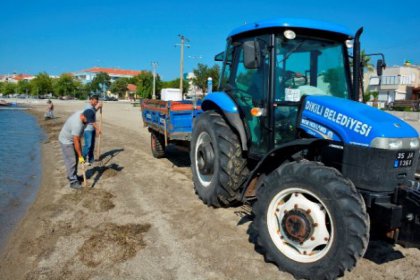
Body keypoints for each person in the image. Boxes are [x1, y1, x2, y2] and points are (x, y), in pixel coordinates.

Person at [58, 109, 95, 189]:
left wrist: (80, 156)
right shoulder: (77, 124)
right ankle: (72, 181)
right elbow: (76, 141)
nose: (88, 122)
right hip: (66, 141)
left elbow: (78, 139)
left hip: (73, 138)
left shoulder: (84, 114)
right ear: (83, 116)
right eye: (87, 120)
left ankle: (74, 175)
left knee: (76, 159)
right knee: (72, 160)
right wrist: (81, 156)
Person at [82, 95, 102, 165]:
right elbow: (91, 120)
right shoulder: (88, 107)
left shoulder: (92, 107)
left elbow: (93, 111)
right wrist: (98, 129)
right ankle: (82, 158)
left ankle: (90, 159)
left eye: (97, 102)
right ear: (91, 100)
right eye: (95, 102)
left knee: (92, 145)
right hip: (88, 129)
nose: (96, 103)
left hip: (92, 129)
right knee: (88, 145)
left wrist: (98, 107)